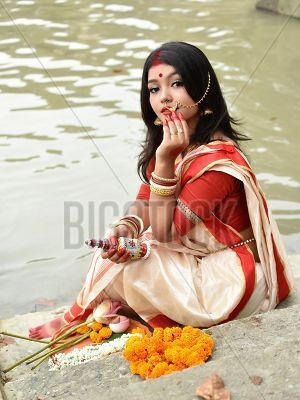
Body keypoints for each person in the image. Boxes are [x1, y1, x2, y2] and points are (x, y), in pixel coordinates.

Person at [29, 41, 293, 340]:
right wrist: (126, 226)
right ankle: (110, 310)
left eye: (176, 84)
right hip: (199, 258)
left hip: (234, 276)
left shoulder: (218, 163)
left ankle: (83, 317)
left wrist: (166, 160)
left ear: (203, 89)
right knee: (115, 249)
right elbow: (146, 200)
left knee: (135, 265)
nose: (164, 97)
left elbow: (168, 234)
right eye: (154, 89)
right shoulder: (174, 141)